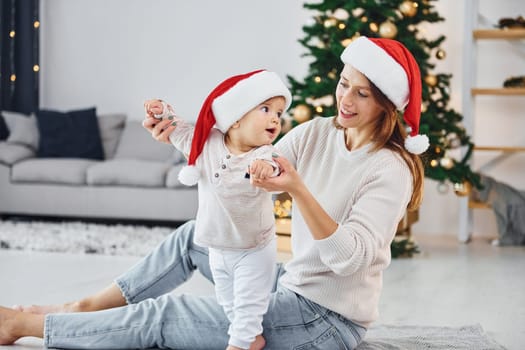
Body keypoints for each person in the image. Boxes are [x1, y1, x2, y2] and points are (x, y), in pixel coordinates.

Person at [0, 36, 428, 350]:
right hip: (295, 285)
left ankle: (23, 328)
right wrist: (182, 134)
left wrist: (297, 189)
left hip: (327, 320)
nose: (345, 99)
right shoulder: (320, 132)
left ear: (387, 104)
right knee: (193, 236)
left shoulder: (389, 170)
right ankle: (84, 306)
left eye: (362, 92)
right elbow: (244, 165)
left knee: (165, 317)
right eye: (343, 82)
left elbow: (348, 257)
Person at [146, 69, 292, 350]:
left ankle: (239, 344)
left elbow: (275, 163)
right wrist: (161, 111)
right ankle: (253, 340)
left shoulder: (262, 154)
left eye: (279, 112)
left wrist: (268, 169)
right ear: (235, 118)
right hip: (217, 246)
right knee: (228, 302)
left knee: (249, 306)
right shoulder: (206, 144)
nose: (276, 117)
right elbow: (179, 130)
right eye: (266, 109)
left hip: (254, 249)